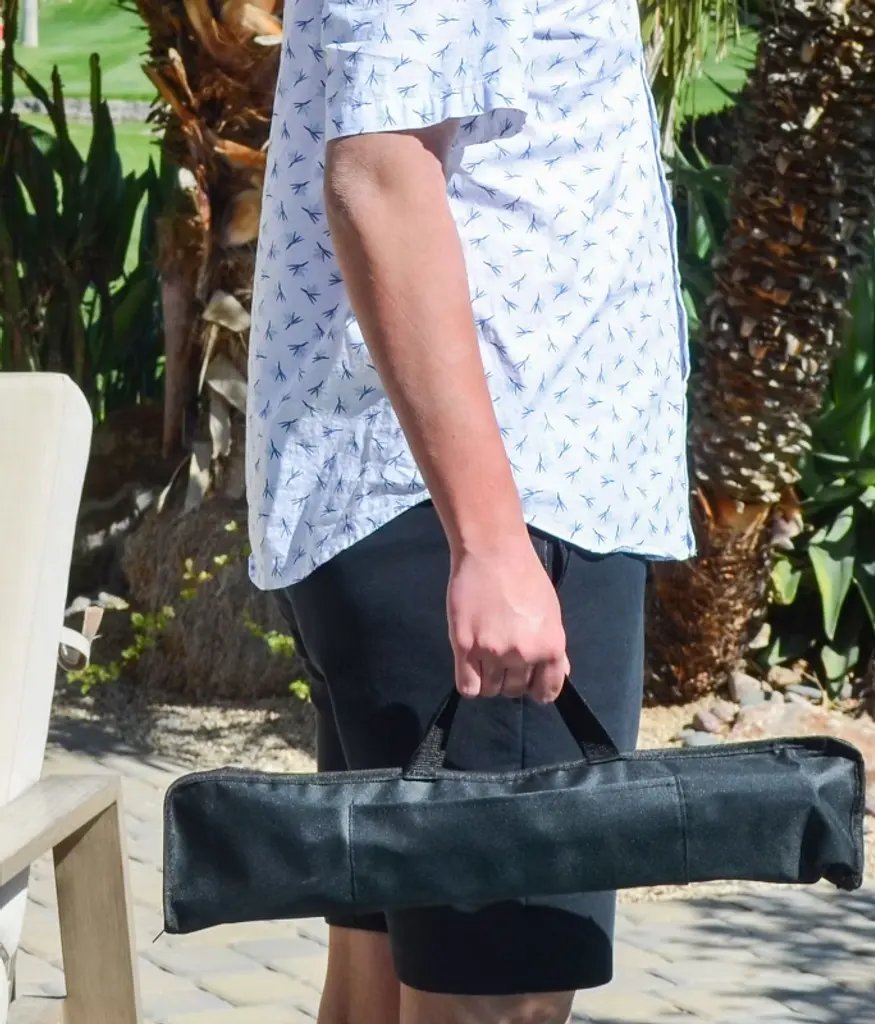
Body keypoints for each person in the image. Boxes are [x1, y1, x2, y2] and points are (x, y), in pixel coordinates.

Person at [245, 1, 695, 1021]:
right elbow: (381, 176)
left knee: (380, 984)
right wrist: (490, 542)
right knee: (501, 997)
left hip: (453, 497)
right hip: (491, 503)